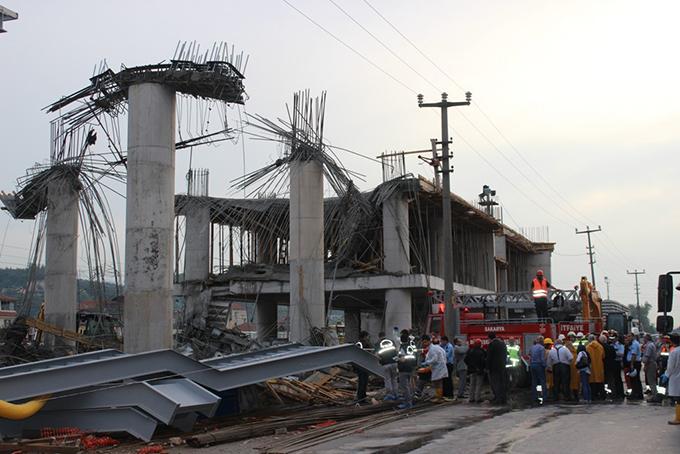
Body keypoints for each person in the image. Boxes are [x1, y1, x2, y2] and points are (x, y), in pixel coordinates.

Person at [419, 335, 448, 403]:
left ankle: (439, 398)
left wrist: (426, 363)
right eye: (423, 342)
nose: (424, 344)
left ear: (429, 341)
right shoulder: (437, 347)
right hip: (440, 367)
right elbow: (443, 354)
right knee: (439, 383)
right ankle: (439, 397)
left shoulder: (433, 349)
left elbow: (434, 359)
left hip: (438, 368)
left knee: (437, 383)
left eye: (425, 342)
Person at [547, 337, 573, 401]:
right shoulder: (565, 349)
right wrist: (568, 363)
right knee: (565, 382)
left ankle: (556, 397)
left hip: (556, 367)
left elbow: (549, 362)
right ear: (561, 343)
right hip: (565, 366)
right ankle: (566, 396)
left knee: (556, 382)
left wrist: (550, 367)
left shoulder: (551, 351)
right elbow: (571, 357)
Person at [486, 333, 509, 405]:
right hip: (502, 366)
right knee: (502, 383)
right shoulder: (502, 344)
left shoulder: (492, 345)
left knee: (496, 383)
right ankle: (503, 399)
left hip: (494, 368)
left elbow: (489, 357)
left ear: (489, 338)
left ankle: (498, 398)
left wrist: (487, 367)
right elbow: (505, 355)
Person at [397, 329, 415, 409]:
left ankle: (407, 403)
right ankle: (410, 401)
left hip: (403, 369)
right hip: (410, 368)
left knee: (404, 387)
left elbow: (403, 359)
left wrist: (397, 359)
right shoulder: (411, 346)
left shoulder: (402, 348)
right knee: (410, 386)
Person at [377, 331, 399, 401]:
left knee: (387, 380)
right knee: (394, 379)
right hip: (394, 363)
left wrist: (380, 361)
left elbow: (376, 355)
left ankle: (390, 394)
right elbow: (396, 351)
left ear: (379, 337)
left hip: (386, 364)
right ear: (385, 335)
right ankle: (396, 394)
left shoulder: (378, 344)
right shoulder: (391, 341)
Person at [586, 334, 606, 400]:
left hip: (591, 367)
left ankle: (594, 396)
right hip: (599, 366)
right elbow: (603, 356)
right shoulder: (600, 346)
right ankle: (602, 396)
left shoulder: (588, 347)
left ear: (589, 339)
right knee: (600, 382)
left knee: (592, 382)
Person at [529, 336, 548, 404]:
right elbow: (542, 359)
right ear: (541, 341)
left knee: (534, 382)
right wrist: (545, 366)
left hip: (532, 365)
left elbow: (530, 357)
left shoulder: (532, 347)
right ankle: (544, 397)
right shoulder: (542, 348)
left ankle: (534, 397)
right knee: (543, 381)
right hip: (539, 365)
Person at [642, 333, 660, 402]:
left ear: (647, 338)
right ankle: (654, 395)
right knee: (652, 380)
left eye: (644, 338)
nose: (643, 339)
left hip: (650, 364)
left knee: (651, 381)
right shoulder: (652, 344)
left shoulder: (649, 346)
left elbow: (647, 356)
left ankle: (655, 396)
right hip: (652, 363)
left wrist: (646, 365)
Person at [356, 331, 372, 404]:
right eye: (367, 336)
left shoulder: (358, 343)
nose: (368, 338)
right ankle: (361, 399)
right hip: (364, 365)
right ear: (365, 336)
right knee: (363, 383)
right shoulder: (365, 344)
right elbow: (370, 352)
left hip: (360, 365)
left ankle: (361, 397)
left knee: (362, 382)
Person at [626, 333, 644, 400]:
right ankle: (637, 393)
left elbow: (634, 354)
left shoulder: (634, 344)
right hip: (634, 362)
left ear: (633, 337)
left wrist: (631, 364)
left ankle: (636, 394)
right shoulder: (632, 343)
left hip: (635, 363)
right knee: (634, 379)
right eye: (627, 336)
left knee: (635, 379)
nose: (628, 338)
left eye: (629, 336)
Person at [665, 333, 680, 404]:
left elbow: (670, 366)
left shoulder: (674, 352)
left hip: (675, 378)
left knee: (676, 399)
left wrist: (666, 375)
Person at [565, 332, 580, 401]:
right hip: (576, 371)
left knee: (569, 384)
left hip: (569, 371)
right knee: (576, 384)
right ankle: (576, 396)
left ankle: (570, 397)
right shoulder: (575, 353)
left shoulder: (567, 353)